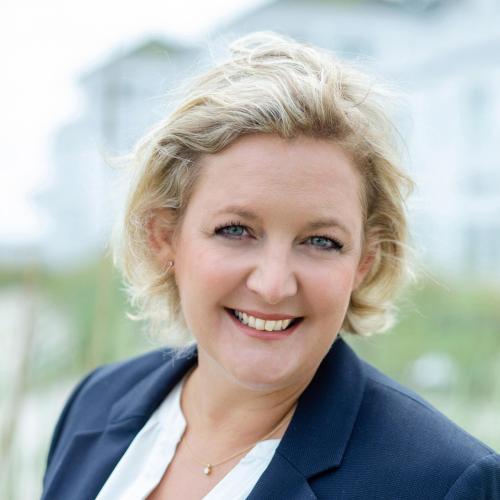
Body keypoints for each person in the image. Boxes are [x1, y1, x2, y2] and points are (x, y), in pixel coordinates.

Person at [41, 32, 499, 500]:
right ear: (163, 236)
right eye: (236, 230)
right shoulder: (94, 402)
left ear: (365, 261)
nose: (274, 284)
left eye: (321, 241)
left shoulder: (443, 482)